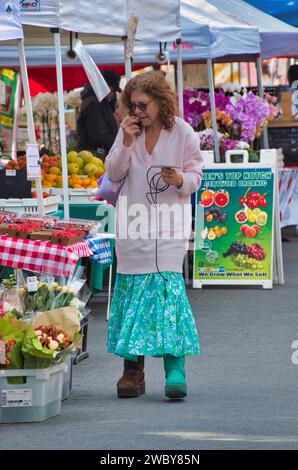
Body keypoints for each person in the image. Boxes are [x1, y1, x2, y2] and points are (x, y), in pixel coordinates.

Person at [105, 71, 203, 400]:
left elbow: (196, 175)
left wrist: (179, 180)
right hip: (133, 228)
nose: (137, 112)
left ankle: (175, 368)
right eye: (132, 106)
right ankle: (133, 370)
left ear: (161, 103)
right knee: (132, 296)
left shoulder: (183, 133)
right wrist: (127, 141)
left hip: (171, 227)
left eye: (143, 105)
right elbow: (114, 173)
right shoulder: (127, 133)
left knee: (169, 297)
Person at [76, 70, 121, 157]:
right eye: (113, 90)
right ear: (106, 87)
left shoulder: (101, 102)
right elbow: (99, 135)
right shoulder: (93, 103)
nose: (114, 94)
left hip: (96, 155)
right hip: (93, 157)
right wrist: (118, 145)